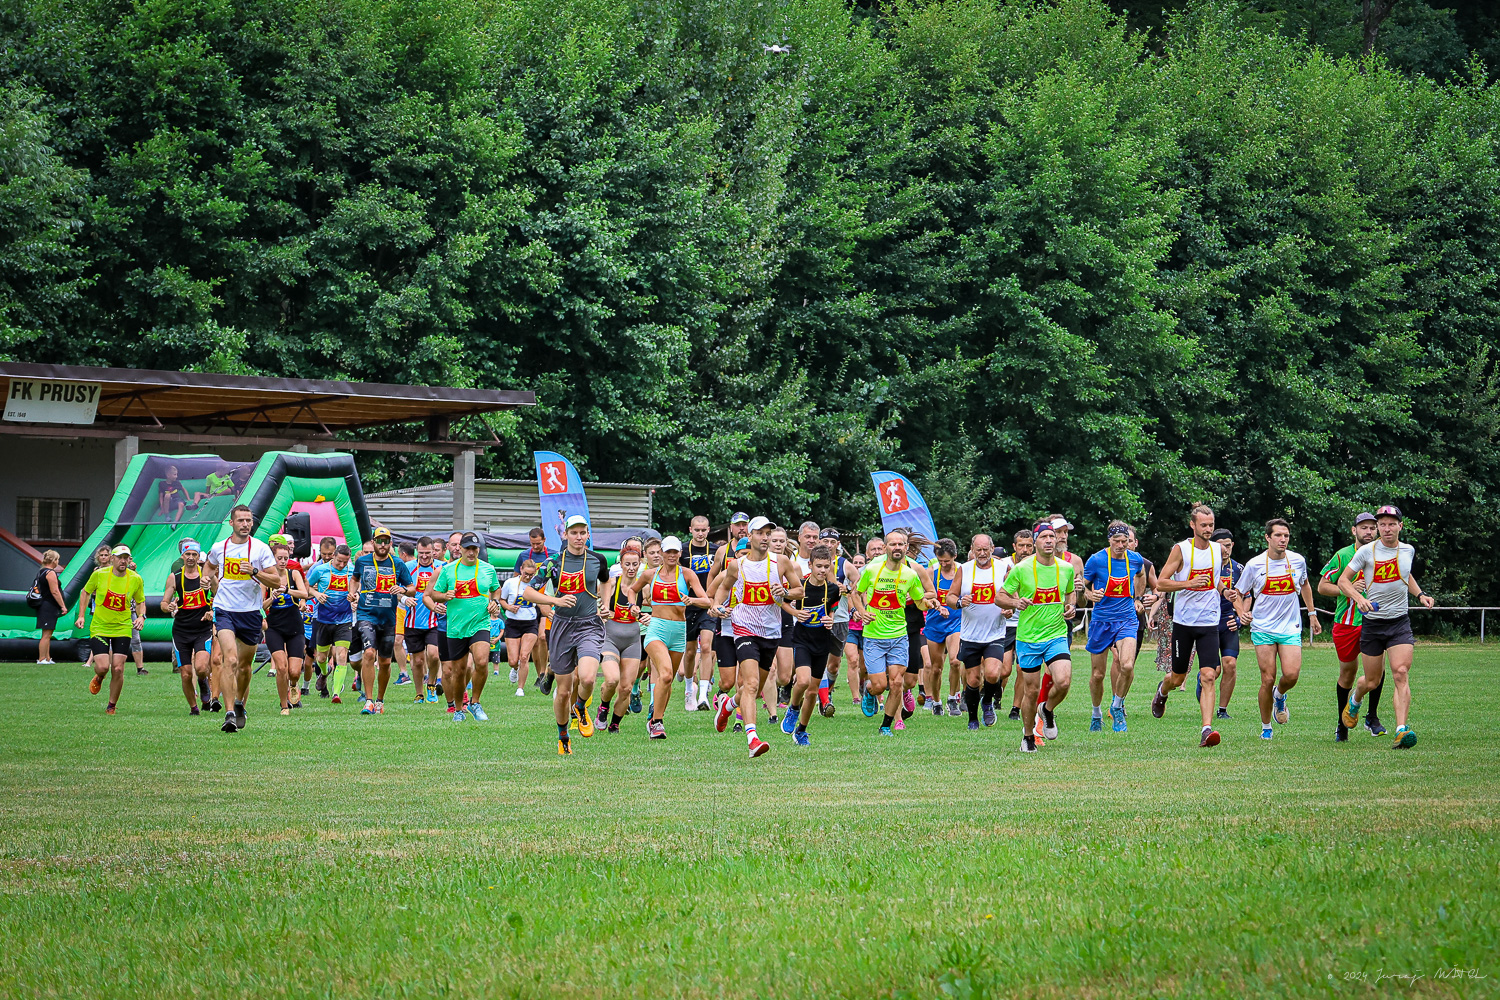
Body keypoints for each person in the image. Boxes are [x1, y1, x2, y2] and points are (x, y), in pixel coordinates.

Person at [1338, 505, 1434, 749]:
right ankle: (1355, 700)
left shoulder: (1408, 550)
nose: (1387, 528)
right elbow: (1343, 580)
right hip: (1373, 624)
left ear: (1400, 526)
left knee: (1400, 672)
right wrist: (1358, 599)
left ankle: (1401, 730)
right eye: (1382, 524)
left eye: (1392, 524)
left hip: (1399, 622)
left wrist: (1420, 594)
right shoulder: (1367, 552)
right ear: (1378, 527)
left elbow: (1406, 575)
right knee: (1372, 681)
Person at [711, 516, 804, 756]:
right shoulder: (737, 565)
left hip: (771, 632)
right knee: (750, 684)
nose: (765, 538)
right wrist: (717, 605)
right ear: (749, 536)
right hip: (743, 628)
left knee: (754, 687)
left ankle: (728, 705)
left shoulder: (781, 562)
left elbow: (800, 591)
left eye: (768, 533)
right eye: (760, 533)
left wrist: (785, 591)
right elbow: (723, 587)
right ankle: (752, 739)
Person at [521, 516, 611, 754]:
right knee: (563, 691)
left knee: (588, 678)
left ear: (588, 534)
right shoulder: (553, 563)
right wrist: (555, 600)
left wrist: (605, 604)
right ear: (566, 535)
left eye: (582, 533)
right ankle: (563, 737)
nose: (578, 537)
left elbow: (606, 581)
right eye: (574, 533)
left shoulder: (597, 559)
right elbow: (528, 593)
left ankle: (580, 707)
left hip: (589, 624)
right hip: (562, 626)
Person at [1149, 505, 1235, 748]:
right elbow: (1161, 583)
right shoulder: (1181, 550)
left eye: (1211, 525)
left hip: (1209, 621)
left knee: (1209, 675)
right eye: (1203, 525)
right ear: (1192, 525)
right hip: (1184, 623)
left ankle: (1206, 730)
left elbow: (1214, 580)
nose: (1208, 529)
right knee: (1177, 678)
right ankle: (1163, 691)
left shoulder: (1218, 550)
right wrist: (1189, 583)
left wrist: (1224, 591)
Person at [1233, 518, 1321, 740]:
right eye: (1278, 535)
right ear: (1267, 537)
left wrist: (1312, 614)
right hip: (1263, 627)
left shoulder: (1298, 561)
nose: (1283, 539)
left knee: (1291, 675)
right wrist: (1242, 612)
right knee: (1267, 678)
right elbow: (1238, 593)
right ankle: (1266, 728)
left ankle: (1279, 696)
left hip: (1290, 627)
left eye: (1286, 536)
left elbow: (1305, 585)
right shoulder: (1254, 565)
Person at [624, 535, 714, 739]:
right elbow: (632, 590)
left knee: (668, 681)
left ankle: (655, 718)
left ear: (680, 553)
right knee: (664, 675)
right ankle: (656, 722)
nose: (671, 555)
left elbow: (706, 601)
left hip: (679, 632)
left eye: (675, 552)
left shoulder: (687, 574)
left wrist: (691, 600)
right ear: (662, 553)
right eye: (668, 552)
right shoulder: (650, 574)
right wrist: (633, 606)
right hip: (657, 628)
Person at [849, 528, 934, 737]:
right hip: (874, 636)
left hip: (899, 636)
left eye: (900, 544)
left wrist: (929, 604)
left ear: (906, 547)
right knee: (880, 685)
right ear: (886, 547)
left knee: (897, 682)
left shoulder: (910, 574)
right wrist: (862, 612)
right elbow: (856, 593)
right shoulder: (872, 570)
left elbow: (919, 601)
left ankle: (886, 725)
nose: (897, 547)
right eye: (893, 544)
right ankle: (870, 691)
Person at [202, 506, 280, 732]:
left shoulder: (261, 549)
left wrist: (255, 572)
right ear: (231, 523)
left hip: (251, 612)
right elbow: (209, 566)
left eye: (248, 520)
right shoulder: (220, 547)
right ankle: (228, 714)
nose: (245, 524)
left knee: (244, 667)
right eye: (240, 520)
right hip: (225, 609)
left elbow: (276, 581)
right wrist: (206, 579)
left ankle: (238, 703)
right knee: (230, 659)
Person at [1000, 522, 1077, 752]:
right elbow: (1000, 597)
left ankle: (1047, 709)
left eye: (1052, 536)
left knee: (1063, 681)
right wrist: (1016, 602)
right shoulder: (1022, 568)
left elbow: (1071, 592)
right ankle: (1028, 736)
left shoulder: (1066, 568)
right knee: (1031, 691)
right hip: (1029, 638)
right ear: (1035, 542)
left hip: (1056, 634)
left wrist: (1071, 606)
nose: (1049, 540)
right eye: (1044, 536)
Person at [1319, 512, 1385, 740]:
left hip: (1375, 621)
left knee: (1377, 670)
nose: (1369, 532)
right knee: (1348, 674)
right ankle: (1342, 724)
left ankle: (1372, 717)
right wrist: (1347, 589)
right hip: (1346, 623)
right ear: (1354, 530)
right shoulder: (1343, 555)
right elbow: (1322, 586)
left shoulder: (1384, 554)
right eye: (1363, 528)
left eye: (1372, 528)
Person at [427, 532, 501, 722]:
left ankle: (475, 703)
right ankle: (459, 709)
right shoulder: (448, 570)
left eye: (474, 549)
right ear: (460, 549)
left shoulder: (488, 569)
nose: (471, 552)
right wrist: (445, 596)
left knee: (482, 662)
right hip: (456, 627)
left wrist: (495, 602)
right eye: (467, 548)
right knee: (459, 671)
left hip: (480, 623)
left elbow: (496, 589)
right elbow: (434, 594)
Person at [1082, 521, 1148, 734]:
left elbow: (1141, 575)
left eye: (1125, 541)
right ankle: (1096, 714)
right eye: (1116, 541)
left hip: (1127, 619)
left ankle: (1117, 706)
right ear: (1109, 540)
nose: (1121, 545)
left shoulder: (1135, 559)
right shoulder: (1096, 560)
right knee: (1098, 674)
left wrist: (1138, 598)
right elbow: (1082, 587)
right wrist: (1091, 595)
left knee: (1127, 666)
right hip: (1102, 621)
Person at [351, 526, 416, 716]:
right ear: (373, 542)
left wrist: (402, 590)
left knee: (386, 662)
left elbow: (412, 588)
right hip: (366, 615)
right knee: (369, 653)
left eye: (386, 541)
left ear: (390, 544)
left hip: (388, 618)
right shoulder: (362, 561)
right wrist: (352, 593)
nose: (382, 545)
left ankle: (380, 700)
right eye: (379, 541)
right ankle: (368, 701)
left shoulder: (398, 564)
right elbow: (354, 579)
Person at [784, 543, 842, 745]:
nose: (822, 570)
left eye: (826, 566)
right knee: (802, 681)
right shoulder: (800, 587)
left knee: (812, 691)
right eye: (819, 566)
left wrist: (830, 620)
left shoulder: (833, 589)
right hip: (802, 640)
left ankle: (801, 730)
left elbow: (831, 610)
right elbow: (782, 602)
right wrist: (795, 613)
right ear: (810, 565)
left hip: (822, 643)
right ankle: (793, 708)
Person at [77, 545, 145, 714]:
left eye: (126, 558)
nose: (123, 561)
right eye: (120, 557)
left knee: (118, 668)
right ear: (112, 559)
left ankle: (111, 705)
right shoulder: (99, 574)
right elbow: (85, 592)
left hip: (123, 627)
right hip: (100, 626)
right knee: (102, 667)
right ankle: (100, 676)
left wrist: (141, 617)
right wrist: (81, 616)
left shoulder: (136, 579)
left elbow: (140, 601)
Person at [950, 533, 1008, 731]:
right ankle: (973, 718)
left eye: (985, 549)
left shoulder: (1003, 568)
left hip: (995, 632)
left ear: (992, 548)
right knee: (973, 679)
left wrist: (1009, 609)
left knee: (992, 674)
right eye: (978, 550)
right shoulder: (964, 569)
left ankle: (988, 701)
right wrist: (959, 602)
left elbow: (1012, 596)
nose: (982, 553)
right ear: (972, 550)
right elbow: (950, 597)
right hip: (971, 635)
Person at [161, 539, 214, 714]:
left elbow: (220, 597)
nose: (191, 557)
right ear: (182, 556)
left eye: (194, 554)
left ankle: (203, 683)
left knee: (201, 668)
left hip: (202, 629)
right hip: (181, 631)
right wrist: (168, 606)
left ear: (199, 557)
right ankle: (194, 707)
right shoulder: (174, 577)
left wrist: (212, 611)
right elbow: (163, 603)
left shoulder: (206, 576)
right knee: (185, 673)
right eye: (187, 554)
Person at [598, 549, 644, 732]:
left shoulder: (643, 587)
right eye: (627, 564)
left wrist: (645, 616)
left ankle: (615, 724)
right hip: (611, 637)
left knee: (626, 688)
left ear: (640, 565)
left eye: (635, 564)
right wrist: (602, 611)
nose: (631, 568)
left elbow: (657, 608)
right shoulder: (611, 583)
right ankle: (604, 706)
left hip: (632, 640)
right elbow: (596, 604)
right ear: (621, 565)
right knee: (611, 680)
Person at [263, 542, 311, 714]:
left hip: (294, 626)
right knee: (281, 667)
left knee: (294, 671)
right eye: (279, 558)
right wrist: (272, 597)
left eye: (286, 558)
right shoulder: (266, 578)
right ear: (273, 559)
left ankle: (293, 685)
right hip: (274, 627)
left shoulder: (294, 573)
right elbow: (260, 605)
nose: (283, 561)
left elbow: (304, 594)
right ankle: (284, 705)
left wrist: (287, 591)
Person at [307, 544, 356, 702]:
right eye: (339, 561)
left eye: (345, 562)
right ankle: (324, 672)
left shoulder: (352, 571)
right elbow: (307, 587)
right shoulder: (320, 570)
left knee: (342, 655)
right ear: (333, 555)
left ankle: (336, 694)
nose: (342, 565)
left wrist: (354, 596)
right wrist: (316, 594)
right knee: (321, 658)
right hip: (323, 620)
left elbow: (358, 589)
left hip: (344, 620)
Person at [1204, 528, 1243, 720]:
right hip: (1207, 620)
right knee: (1214, 669)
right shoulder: (1205, 566)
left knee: (1230, 664)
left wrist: (1240, 618)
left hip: (1228, 620)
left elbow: (1246, 595)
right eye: (1220, 546)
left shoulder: (1239, 569)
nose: (1225, 550)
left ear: (1232, 545)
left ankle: (1222, 709)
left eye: (1228, 546)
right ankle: (1203, 682)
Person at [403, 536, 445, 704]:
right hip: (412, 621)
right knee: (418, 661)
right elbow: (397, 590)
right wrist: (404, 599)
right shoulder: (408, 568)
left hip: (434, 620)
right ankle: (419, 693)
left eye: (428, 553)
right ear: (417, 552)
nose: (425, 556)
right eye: (421, 553)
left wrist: (443, 602)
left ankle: (432, 684)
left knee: (434, 655)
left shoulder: (442, 568)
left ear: (434, 551)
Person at [923, 538, 962, 717]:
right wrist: (937, 605)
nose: (944, 564)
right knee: (936, 667)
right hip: (935, 622)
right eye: (941, 561)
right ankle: (936, 701)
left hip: (956, 621)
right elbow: (924, 596)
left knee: (955, 661)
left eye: (947, 561)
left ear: (955, 556)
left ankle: (953, 698)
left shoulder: (962, 571)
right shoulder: (932, 572)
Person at [684, 515, 717, 711]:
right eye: (697, 530)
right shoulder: (682, 551)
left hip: (708, 604)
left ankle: (703, 695)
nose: (700, 533)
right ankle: (690, 689)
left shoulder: (715, 550)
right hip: (687, 605)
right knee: (689, 652)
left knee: (706, 647)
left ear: (708, 530)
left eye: (704, 530)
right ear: (690, 530)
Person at [500, 558, 542, 697]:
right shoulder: (510, 583)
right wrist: (509, 607)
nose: (528, 577)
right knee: (513, 660)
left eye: (531, 575)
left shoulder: (537, 584)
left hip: (530, 623)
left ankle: (520, 688)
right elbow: (501, 599)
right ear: (521, 570)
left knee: (524, 656)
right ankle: (515, 668)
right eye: (526, 574)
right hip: (513, 623)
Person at [1004, 530, 1033, 721]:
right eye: (1021, 545)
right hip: (1005, 624)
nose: (1025, 549)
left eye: (1028, 546)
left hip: (1028, 624)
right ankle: (992, 692)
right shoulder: (1003, 565)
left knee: (1022, 669)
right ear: (1014, 546)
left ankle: (1016, 708)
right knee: (1003, 670)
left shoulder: (1038, 565)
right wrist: (1008, 605)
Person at [32, 550, 66, 664]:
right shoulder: (50, 573)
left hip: (45, 605)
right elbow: (55, 591)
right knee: (46, 634)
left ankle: (47, 657)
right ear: (54, 560)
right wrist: (63, 606)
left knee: (48, 633)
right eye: (57, 559)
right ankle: (41, 658)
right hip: (48, 605)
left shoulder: (41, 572)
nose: (58, 562)